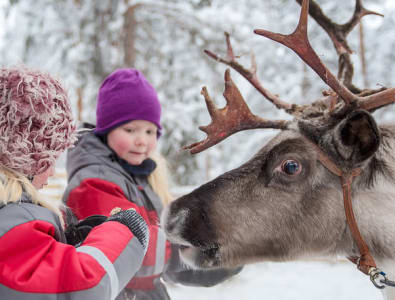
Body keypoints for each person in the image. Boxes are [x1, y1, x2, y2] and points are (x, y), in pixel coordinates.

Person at [62, 68, 242, 300]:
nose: (142, 140)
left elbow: (163, 269)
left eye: (150, 131)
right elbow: (127, 252)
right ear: (106, 130)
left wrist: (226, 256)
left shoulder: (138, 177)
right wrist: (190, 247)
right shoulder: (95, 182)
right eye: (130, 129)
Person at [0, 66, 151, 300]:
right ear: (23, 158)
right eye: (49, 159)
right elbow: (81, 286)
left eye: (150, 131)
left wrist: (68, 243)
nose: (52, 172)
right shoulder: (11, 222)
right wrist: (125, 232)